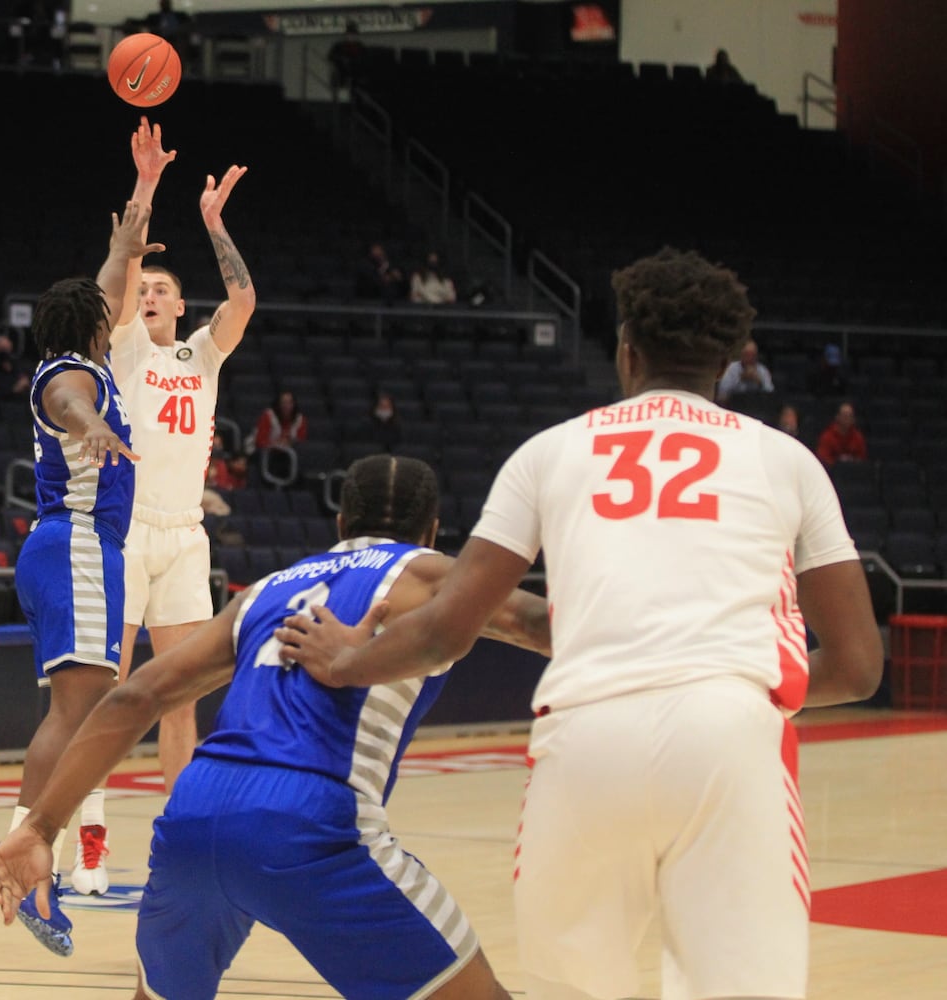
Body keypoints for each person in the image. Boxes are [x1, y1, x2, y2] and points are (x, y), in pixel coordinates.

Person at [276, 246, 883, 1000]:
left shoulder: (548, 452)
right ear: (727, 364)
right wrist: (735, 683)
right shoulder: (789, 460)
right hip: (731, 738)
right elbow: (858, 666)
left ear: (625, 351)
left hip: (588, 737)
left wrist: (344, 660)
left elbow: (445, 629)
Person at [0, 454, 551, 1000]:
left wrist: (42, 827)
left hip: (195, 813)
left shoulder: (269, 590)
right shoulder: (430, 575)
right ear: (431, 531)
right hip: (310, 817)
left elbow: (135, 697)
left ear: (342, 522)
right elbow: (543, 623)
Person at [0, 198, 161, 958]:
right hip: (78, 546)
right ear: (91, 331)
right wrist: (95, 427)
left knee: (82, 711)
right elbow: (70, 403)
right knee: (79, 715)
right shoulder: (74, 376)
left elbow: (109, 288)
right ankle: (25, 860)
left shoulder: (81, 353)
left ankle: (23, 852)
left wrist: (134, 212)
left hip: (70, 550)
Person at [103, 116, 255, 877]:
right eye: (148, 288)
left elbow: (244, 299)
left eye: (166, 289)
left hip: (184, 535)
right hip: (128, 531)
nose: (154, 294)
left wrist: (214, 221)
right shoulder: (127, 343)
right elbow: (125, 269)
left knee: (180, 698)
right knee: (105, 687)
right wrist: (149, 185)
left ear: (182, 307)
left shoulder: (201, 356)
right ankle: (82, 835)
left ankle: (177, 843)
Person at [716, 337, 773, 402]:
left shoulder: (762, 370)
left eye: (753, 355)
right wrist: (740, 380)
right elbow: (722, 393)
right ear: (741, 354)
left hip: (757, 404)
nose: (750, 358)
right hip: (734, 404)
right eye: (747, 354)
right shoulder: (731, 368)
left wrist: (760, 383)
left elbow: (770, 393)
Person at [816, 400, 868, 467]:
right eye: (845, 416)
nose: (847, 419)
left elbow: (862, 459)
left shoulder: (858, 437)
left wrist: (851, 461)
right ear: (837, 417)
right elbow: (823, 459)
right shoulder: (827, 436)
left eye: (850, 416)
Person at [327, 19, 366, 92]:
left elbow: (365, 59)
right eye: (350, 34)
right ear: (346, 35)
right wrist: (342, 60)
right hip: (342, 73)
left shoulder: (360, 46)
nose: (351, 37)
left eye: (353, 35)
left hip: (356, 73)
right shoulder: (339, 46)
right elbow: (331, 57)